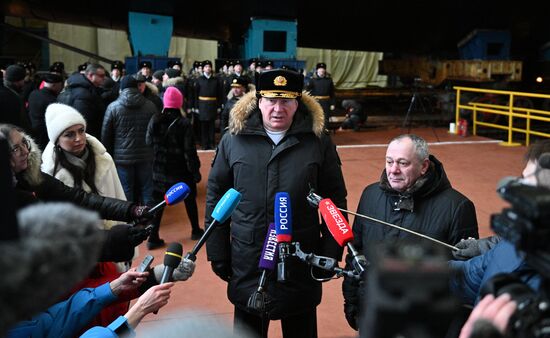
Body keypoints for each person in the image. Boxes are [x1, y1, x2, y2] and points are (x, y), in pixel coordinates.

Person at [205, 69, 347, 338]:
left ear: (298, 103)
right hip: (248, 257)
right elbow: (216, 195)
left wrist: (330, 250)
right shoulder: (234, 139)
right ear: (258, 101)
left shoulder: (317, 142)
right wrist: (217, 251)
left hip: (300, 258)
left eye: (286, 101)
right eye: (271, 100)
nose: (278, 109)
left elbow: (334, 199)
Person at [342, 134, 479, 331]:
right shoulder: (370, 195)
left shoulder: (458, 207)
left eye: (403, 163)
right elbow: (355, 252)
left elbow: (465, 274)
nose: (393, 170)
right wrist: (353, 303)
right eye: (389, 162)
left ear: (424, 166)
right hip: (373, 313)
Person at [0, 123, 150, 226]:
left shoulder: (32, 177)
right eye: (15, 149)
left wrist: (130, 210)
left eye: (24, 143)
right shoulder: (46, 171)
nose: (25, 151)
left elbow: (79, 199)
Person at [451, 139, 550, 261]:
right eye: (523, 178)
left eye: (531, 184)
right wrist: (480, 247)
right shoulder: (531, 228)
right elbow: (477, 268)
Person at [146, 87, 203, 249]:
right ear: (179, 104)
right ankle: (195, 230)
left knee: (158, 203)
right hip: (180, 171)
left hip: (159, 170)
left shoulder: (155, 119)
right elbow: (189, 152)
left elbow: (148, 142)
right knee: (189, 199)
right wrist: (195, 171)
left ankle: (153, 237)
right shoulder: (184, 124)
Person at [101, 75, 157, 205]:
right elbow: (156, 131)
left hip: (122, 158)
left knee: (126, 189)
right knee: (147, 189)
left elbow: (106, 135)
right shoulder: (150, 106)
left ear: (121, 89)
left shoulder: (113, 107)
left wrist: (108, 154)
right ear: (137, 87)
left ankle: (129, 219)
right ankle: (150, 218)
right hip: (146, 155)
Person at [58, 63, 107, 138]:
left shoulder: (77, 87)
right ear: (90, 75)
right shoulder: (84, 94)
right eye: (101, 76)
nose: (104, 78)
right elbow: (84, 121)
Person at [27, 73, 64, 150]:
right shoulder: (52, 100)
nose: (61, 88)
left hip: (32, 129)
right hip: (45, 134)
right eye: (60, 85)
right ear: (54, 85)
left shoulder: (33, 93)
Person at [192, 60, 223, 150]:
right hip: (202, 105)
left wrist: (218, 106)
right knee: (203, 125)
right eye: (206, 67)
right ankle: (204, 144)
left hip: (213, 105)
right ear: (203, 69)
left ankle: (211, 143)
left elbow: (219, 94)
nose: (208, 68)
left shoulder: (216, 80)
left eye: (209, 66)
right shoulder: (199, 80)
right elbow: (195, 94)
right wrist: (196, 106)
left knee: (211, 125)